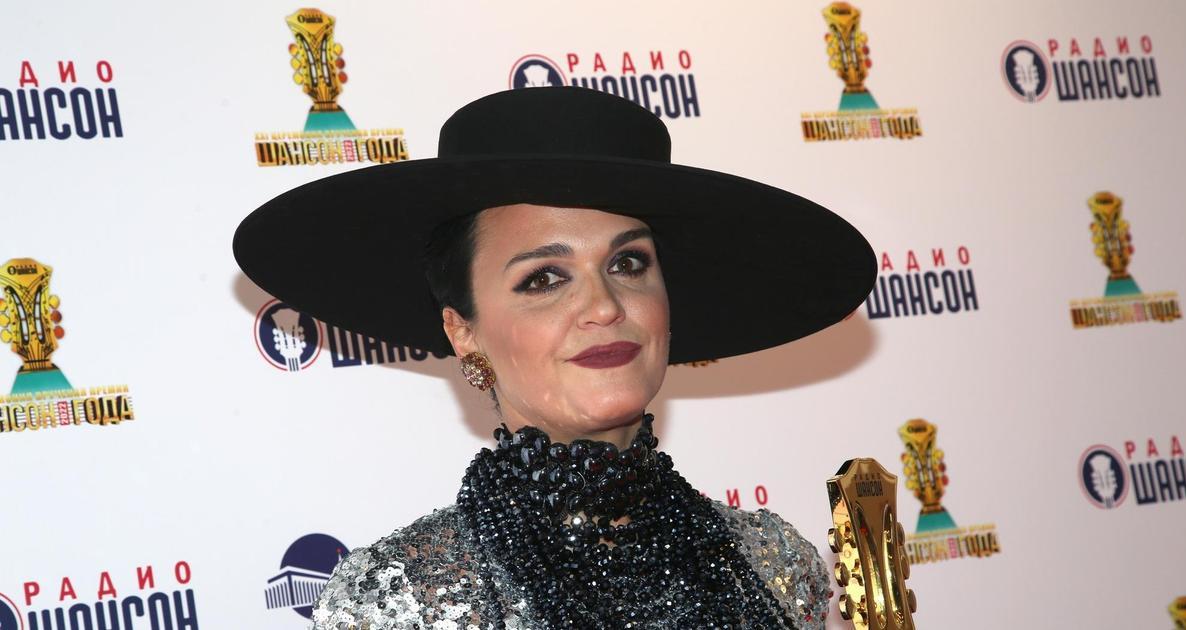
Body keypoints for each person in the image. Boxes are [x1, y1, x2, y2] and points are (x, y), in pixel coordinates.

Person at [233, 86, 876, 629]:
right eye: (544, 278)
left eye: (629, 263)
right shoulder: (403, 604)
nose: (604, 306)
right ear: (463, 331)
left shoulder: (774, 562)